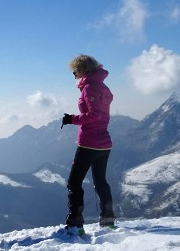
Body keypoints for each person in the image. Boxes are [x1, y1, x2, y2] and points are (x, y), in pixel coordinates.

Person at [62, 54, 115, 236]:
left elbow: (95, 115)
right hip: (104, 143)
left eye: (75, 71)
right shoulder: (103, 87)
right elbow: (102, 114)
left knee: (73, 182)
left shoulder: (89, 88)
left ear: (83, 69)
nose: (74, 75)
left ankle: (75, 225)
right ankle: (108, 220)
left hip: (88, 143)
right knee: (100, 182)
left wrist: (72, 119)